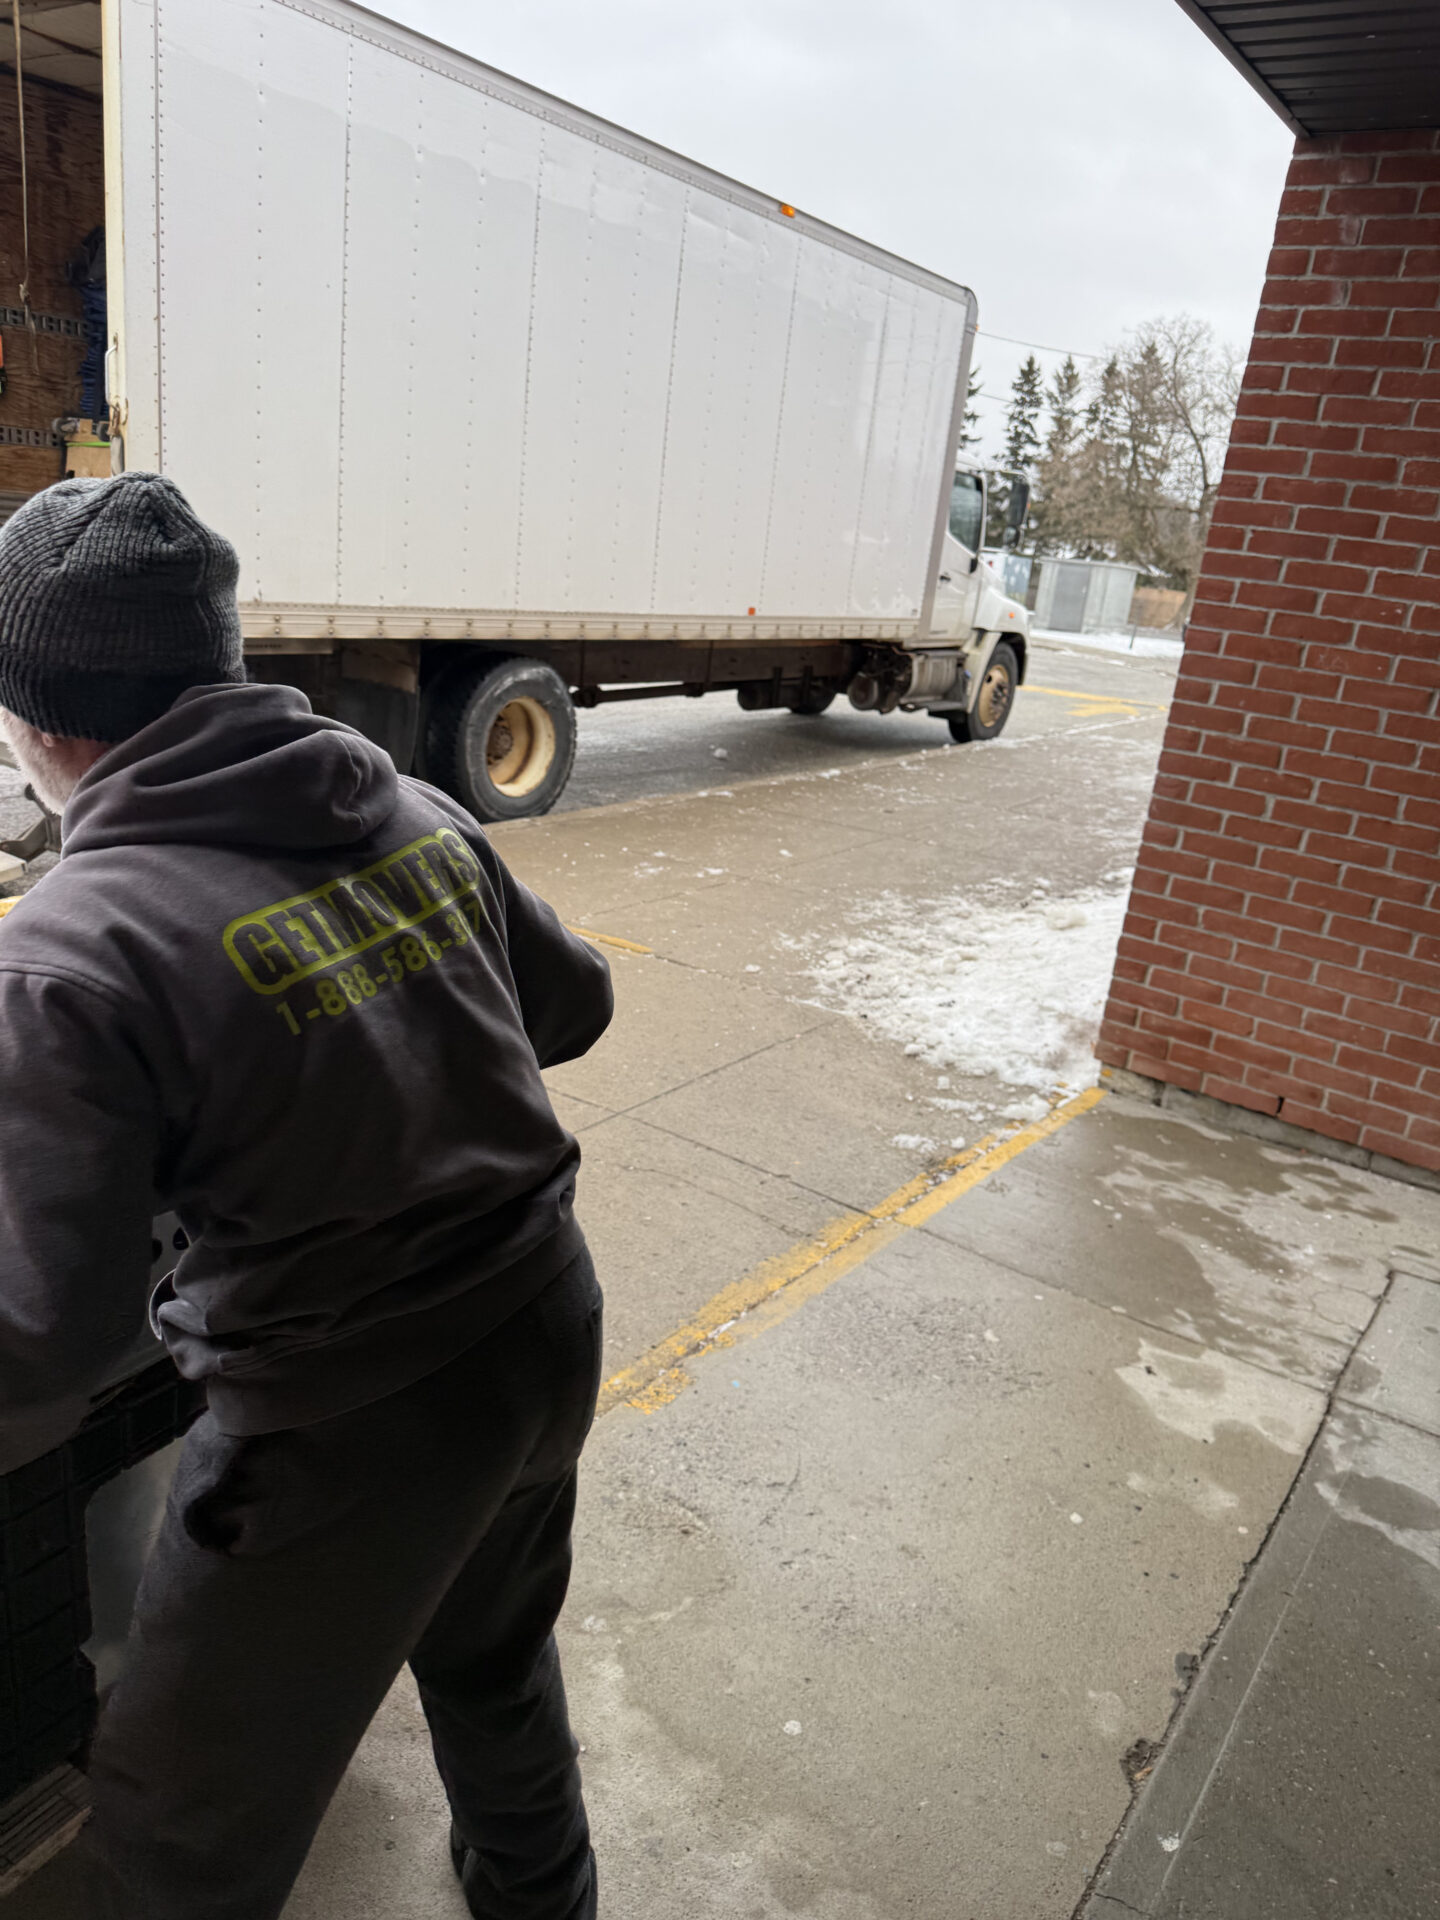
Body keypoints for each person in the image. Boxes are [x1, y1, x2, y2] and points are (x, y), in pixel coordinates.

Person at [0, 473, 613, 1919]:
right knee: (494, 1671)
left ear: (36, 724)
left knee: (175, 1838)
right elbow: (572, 1006)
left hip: (345, 1430)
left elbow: (40, 1343)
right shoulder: (402, 803)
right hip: (542, 1326)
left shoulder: (72, 948)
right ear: (222, 659)